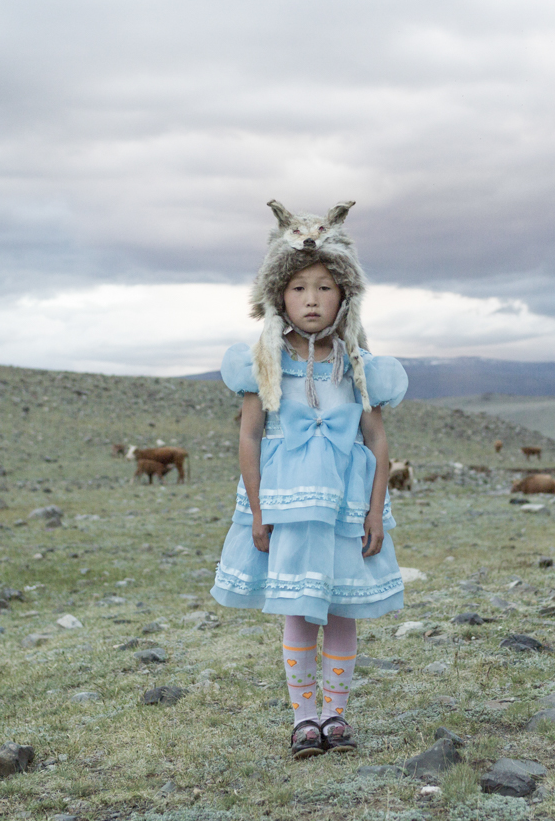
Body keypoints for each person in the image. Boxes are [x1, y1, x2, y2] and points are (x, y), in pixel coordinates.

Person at [211, 201, 408, 759]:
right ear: (279, 296)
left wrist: (375, 511)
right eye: (299, 288)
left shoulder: (359, 365)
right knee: (298, 608)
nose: (313, 298)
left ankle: (336, 715)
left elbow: (377, 441)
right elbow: (249, 437)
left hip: (347, 509)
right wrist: (256, 510)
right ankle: (303, 719)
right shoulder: (263, 362)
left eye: (325, 287)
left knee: (342, 607)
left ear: (345, 295)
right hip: (287, 506)